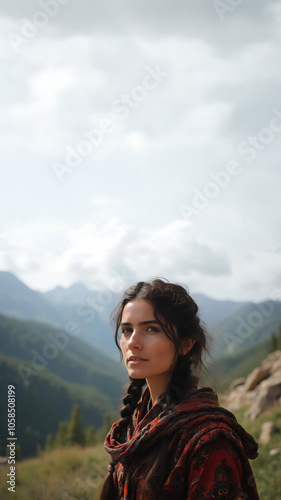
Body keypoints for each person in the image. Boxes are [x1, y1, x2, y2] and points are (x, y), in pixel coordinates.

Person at [100, 279, 259, 500]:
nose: (133, 342)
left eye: (151, 329)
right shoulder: (136, 423)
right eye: (127, 330)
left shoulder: (209, 440)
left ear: (186, 344)